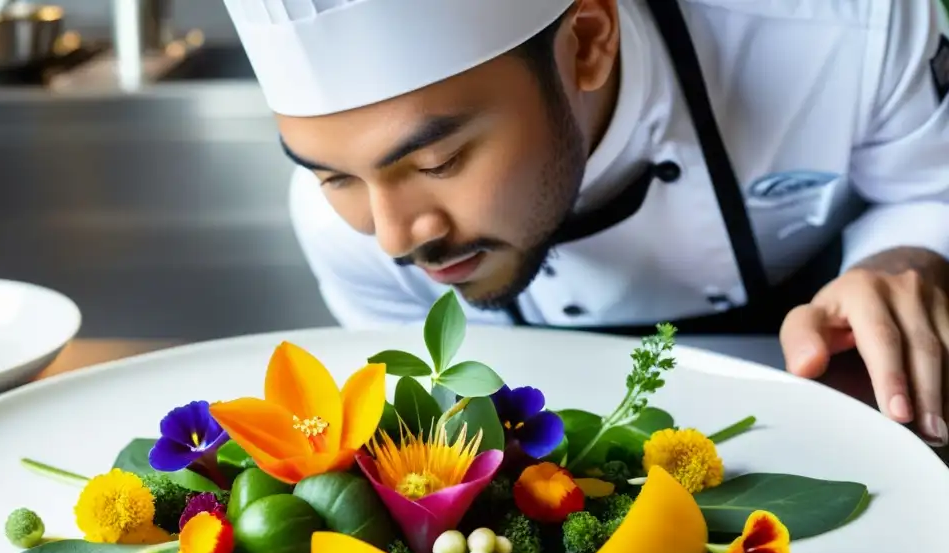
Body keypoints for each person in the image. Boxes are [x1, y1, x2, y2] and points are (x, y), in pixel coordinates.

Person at [222, 0, 949, 446]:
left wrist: (903, 260)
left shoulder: (846, 33)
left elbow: (928, 189)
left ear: (589, 41)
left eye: (438, 161)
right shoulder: (341, 235)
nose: (393, 236)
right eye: (335, 175)